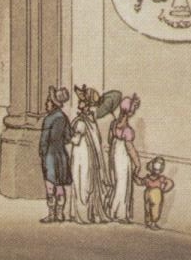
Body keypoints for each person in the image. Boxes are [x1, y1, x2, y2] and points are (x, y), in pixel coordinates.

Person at [68, 85, 110, 224]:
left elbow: (75, 140)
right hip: (87, 155)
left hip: (83, 155)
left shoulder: (81, 122)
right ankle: (89, 213)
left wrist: (67, 137)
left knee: (83, 182)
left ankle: (84, 213)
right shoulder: (89, 121)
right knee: (86, 182)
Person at [39, 86, 73, 223]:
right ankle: (60, 214)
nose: (46, 103)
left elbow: (44, 140)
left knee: (50, 185)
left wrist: (42, 153)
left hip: (50, 155)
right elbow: (68, 137)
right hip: (62, 154)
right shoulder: (64, 118)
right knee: (60, 185)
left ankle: (52, 214)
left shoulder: (48, 119)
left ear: (53, 103)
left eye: (48, 101)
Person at [107, 93, 142, 223]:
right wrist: (137, 163)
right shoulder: (127, 130)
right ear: (130, 112)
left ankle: (112, 211)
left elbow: (110, 141)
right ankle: (121, 214)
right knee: (123, 184)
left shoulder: (113, 125)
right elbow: (130, 149)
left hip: (114, 154)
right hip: (122, 157)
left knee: (117, 183)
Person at [134, 155, 175, 230]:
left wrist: (164, 190)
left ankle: (152, 222)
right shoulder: (149, 178)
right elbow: (140, 182)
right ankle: (150, 222)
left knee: (154, 208)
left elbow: (170, 183)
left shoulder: (160, 178)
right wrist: (135, 176)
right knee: (149, 208)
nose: (156, 170)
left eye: (158, 168)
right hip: (151, 193)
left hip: (155, 193)